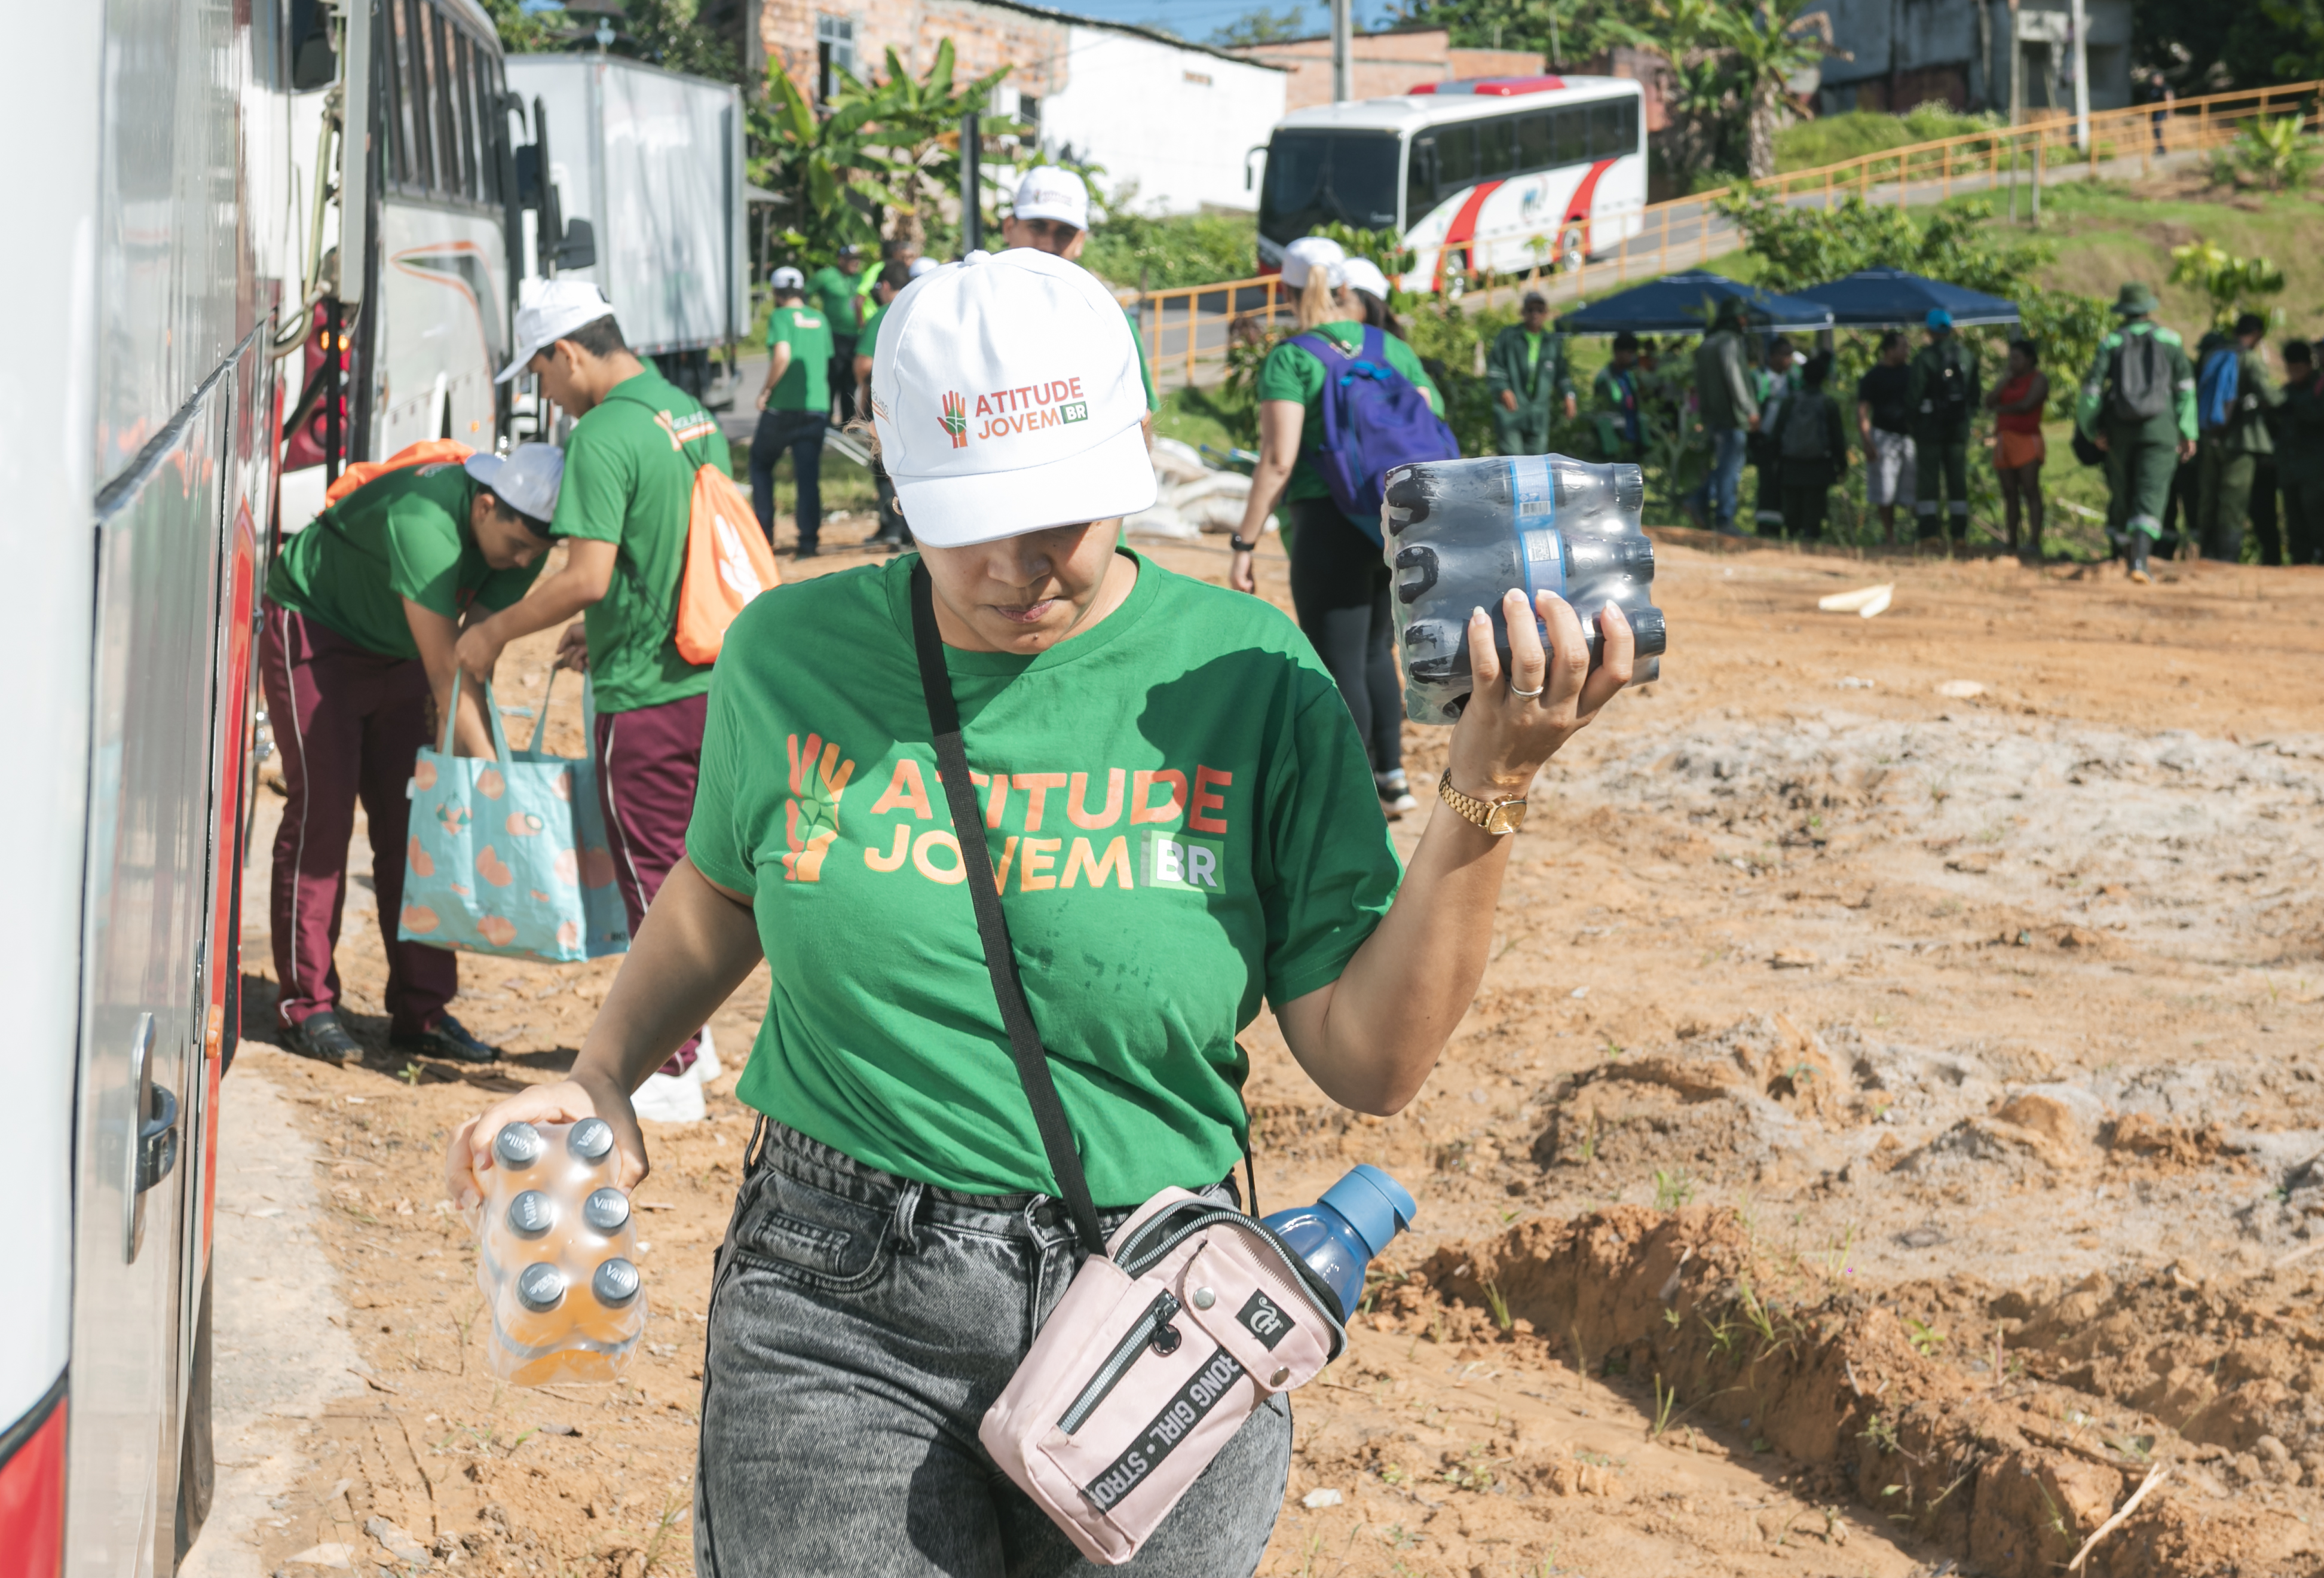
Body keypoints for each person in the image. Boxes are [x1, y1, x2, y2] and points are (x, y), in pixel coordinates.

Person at [443, 244, 1640, 1577]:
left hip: (1162, 1313)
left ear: (1128, 461)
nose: (1023, 566)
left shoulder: (1254, 679)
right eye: (974, 522)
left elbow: (1372, 1061)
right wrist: (604, 1071)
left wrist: (1490, 786)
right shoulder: (790, 656)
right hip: (839, 1303)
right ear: (899, 484)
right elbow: (723, 891)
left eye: (1063, 515)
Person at [456, 281, 736, 1112]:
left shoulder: (603, 434)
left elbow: (587, 575)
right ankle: (699, 1042)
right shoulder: (685, 411)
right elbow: (679, 544)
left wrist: (495, 635)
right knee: (701, 870)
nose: (546, 393)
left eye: (541, 373)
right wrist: (602, 623)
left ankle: (671, 1068)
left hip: (645, 692)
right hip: (711, 674)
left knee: (652, 878)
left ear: (568, 352)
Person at [261, 443, 559, 1065]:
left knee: (419, 822)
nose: (524, 562)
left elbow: (473, 663)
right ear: (485, 507)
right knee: (323, 815)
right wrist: (502, 792)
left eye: (537, 551)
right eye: (518, 546)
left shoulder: (521, 541)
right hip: (320, 631)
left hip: (404, 650)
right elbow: (449, 679)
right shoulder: (424, 521)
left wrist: (480, 784)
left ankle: (422, 1011)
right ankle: (306, 1004)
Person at [1229, 238, 1443, 820]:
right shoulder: (1392, 349)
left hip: (1327, 523)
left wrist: (1244, 543)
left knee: (1337, 658)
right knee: (1376, 650)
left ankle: (1353, 794)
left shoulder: (1292, 358)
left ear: (1288, 291)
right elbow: (1429, 421)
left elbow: (1278, 460)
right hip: (1396, 521)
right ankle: (1392, 778)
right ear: (1347, 288)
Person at [1003, 165, 1161, 429]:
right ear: (1009, 228)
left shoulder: (1109, 322)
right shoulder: (963, 312)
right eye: (1037, 227)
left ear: (1080, 242)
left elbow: (1141, 419)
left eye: (1065, 233)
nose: (1047, 245)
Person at [2075, 281, 2196, 583]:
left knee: (2123, 491)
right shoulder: (2171, 340)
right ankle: (2140, 564)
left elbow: (2091, 390)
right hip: (2161, 428)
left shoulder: (2111, 342)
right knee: (2151, 492)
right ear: (2148, 309)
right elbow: (2185, 390)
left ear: (2124, 311)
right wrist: (2188, 431)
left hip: (2119, 429)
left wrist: (2091, 430)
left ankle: (2123, 558)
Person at [753, 266, 834, 560]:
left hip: (782, 409)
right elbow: (825, 359)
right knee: (807, 475)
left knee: (761, 464)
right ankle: (808, 542)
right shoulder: (821, 319)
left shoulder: (780, 317)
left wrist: (766, 390)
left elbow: (782, 355)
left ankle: (763, 537)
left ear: (777, 293)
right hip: (816, 407)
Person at [2192, 312, 2276, 562]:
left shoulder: (2211, 355)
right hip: (2241, 441)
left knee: (2208, 497)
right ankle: (2226, 560)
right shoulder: (2250, 359)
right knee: (2233, 502)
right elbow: (2271, 398)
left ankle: (2205, 553)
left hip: (2209, 435)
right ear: (2257, 334)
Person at [2271, 336, 2324, 565]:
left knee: (2321, 518)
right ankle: (2300, 566)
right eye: (2290, 368)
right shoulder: (2286, 391)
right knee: (2295, 521)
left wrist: (2297, 409)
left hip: (2320, 469)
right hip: (2291, 469)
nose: (2294, 373)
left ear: (2309, 364)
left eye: (2299, 368)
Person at [852, 260, 914, 548]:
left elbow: (864, 365)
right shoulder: (920, 307)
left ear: (885, 286)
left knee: (883, 465)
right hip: (919, 403)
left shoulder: (884, 314)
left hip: (887, 404)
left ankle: (893, 528)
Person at [1906, 309, 1980, 543]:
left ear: (1929, 330)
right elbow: (1975, 396)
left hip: (1929, 429)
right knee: (1957, 478)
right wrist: (1966, 418)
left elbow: (1914, 396)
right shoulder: (1966, 356)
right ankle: (1959, 534)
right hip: (1958, 429)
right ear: (1951, 329)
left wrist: (1911, 422)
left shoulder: (1924, 358)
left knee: (1929, 479)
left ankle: (1930, 533)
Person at [1689, 300, 1756, 532]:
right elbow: (1734, 377)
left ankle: (1699, 501)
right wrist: (1749, 409)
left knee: (1724, 465)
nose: (1746, 321)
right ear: (1737, 318)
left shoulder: (1708, 342)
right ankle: (1724, 518)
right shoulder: (1729, 342)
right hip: (1732, 417)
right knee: (1730, 468)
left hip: (1713, 416)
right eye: (1744, 317)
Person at [1768, 348, 1847, 539]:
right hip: (1818, 466)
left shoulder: (1790, 402)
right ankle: (1811, 543)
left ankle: (1792, 542)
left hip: (1790, 464)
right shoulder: (1828, 404)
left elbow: (1776, 434)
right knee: (1814, 514)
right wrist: (1842, 465)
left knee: (1791, 512)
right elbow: (1837, 438)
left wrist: (1774, 461)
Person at [1486, 293, 1576, 456]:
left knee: (1537, 462)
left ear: (1546, 313)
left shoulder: (1551, 343)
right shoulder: (1509, 336)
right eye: (1531, 309)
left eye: (1540, 310)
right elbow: (1495, 368)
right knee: (1513, 458)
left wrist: (1569, 395)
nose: (1535, 314)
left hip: (1538, 414)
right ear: (1523, 312)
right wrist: (1503, 390)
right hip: (1511, 411)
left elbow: (1562, 374)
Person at [1852, 330, 1916, 544]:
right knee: (1885, 490)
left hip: (1910, 438)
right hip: (1883, 437)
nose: (1907, 351)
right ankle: (1890, 536)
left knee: (1914, 488)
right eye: (1903, 347)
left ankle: (1924, 535)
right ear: (1889, 350)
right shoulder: (1873, 377)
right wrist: (1867, 441)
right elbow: (1863, 411)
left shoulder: (1912, 374)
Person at [1989, 337, 2049, 557]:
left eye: (2017, 358)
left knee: (2030, 489)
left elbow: (2026, 405)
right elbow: (1988, 402)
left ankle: (2034, 542)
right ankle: (2011, 541)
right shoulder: (2007, 381)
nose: (2012, 362)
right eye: (2010, 358)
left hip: (2027, 440)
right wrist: (2003, 384)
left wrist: (2001, 409)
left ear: (2029, 359)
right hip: (2004, 440)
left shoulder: (2039, 380)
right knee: (2009, 492)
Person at [810, 243, 869, 426]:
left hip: (856, 337)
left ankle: (847, 423)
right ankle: (825, 421)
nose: (856, 262)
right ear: (841, 260)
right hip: (833, 336)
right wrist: (812, 318)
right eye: (851, 259)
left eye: (857, 259)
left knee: (850, 382)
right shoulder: (826, 276)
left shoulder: (861, 279)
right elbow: (804, 293)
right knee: (832, 379)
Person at [1749, 335, 1801, 534]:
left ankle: (1789, 524)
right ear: (1772, 356)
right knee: (1767, 482)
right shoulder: (1759, 377)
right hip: (1765, 439)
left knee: (1786, 483)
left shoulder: (1794, 376)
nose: (1789, 359)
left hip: (1790, 442)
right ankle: (1766, 527)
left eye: (1791, 355)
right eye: (1785, 355)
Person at [1590, 333, 1648, 463]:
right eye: (1629, 353)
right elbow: (1602, 410)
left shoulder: (1629, 375)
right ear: (1617, 352)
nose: (1632, 357)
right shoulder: (1605, 378)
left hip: (1632, 434)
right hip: (1614, 436)